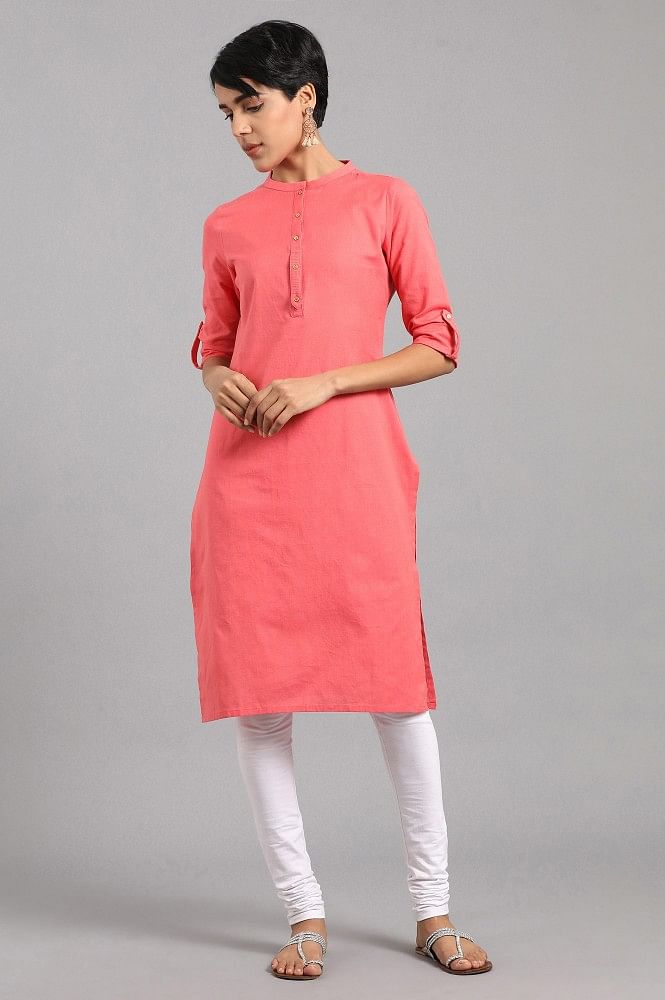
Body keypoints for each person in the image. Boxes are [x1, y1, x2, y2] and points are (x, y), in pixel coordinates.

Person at [189, 19, 492, 980]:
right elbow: (213, 341)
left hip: (355, 475)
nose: (239, 128)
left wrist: (324, 380)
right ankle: (303, 916)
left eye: (251, 105)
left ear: (305, 98)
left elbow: (438, 342)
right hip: (246, 482)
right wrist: (217, 377)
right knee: (260, 704)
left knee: (396, 695)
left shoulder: (386, 201)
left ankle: (432, 910)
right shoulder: (227, 224)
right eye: (226, 113)